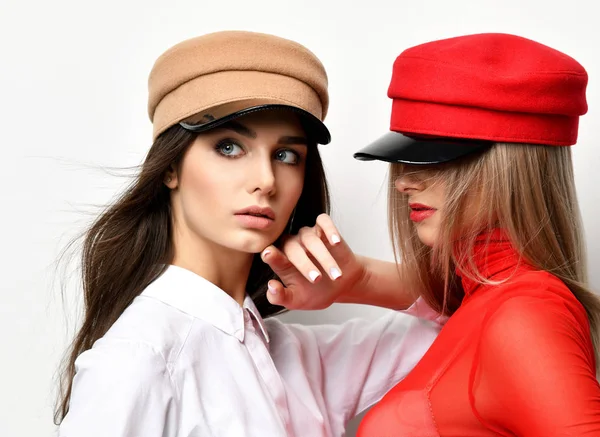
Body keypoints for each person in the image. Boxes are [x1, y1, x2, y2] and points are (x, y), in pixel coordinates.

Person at [54, 30, 442, 437]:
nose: (266, 180)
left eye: (286, 155)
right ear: (171, 167)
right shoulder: (140, 357)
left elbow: (471, 314)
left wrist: (359, 280)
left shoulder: (297, 359)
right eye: (228, 147)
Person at [348, 32, 600, 435]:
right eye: (402, 158)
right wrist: (358, 280)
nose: (404, 182)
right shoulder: (488, 302)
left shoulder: (525, 312)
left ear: (511, 167)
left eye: (436, 158)